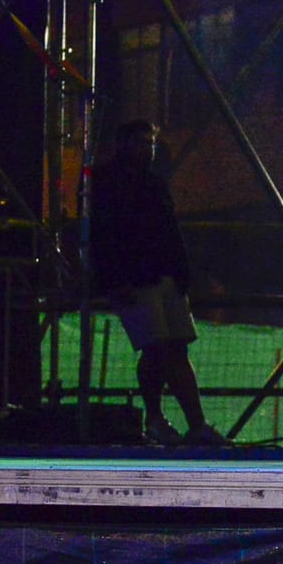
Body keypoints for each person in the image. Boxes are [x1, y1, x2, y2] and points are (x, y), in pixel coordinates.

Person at [88, 120, 224, 446]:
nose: (147, 149)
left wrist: (180, 273)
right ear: (123, 144)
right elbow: (104, 236)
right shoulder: (112, 184)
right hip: (139, 278)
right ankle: (164, 419)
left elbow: (167, 230)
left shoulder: (146, 183)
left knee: (171, 347)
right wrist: (116, 279)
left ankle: (187, 422)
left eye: (149, 143)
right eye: (141, 142)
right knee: (159, 347)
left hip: (159, 276)